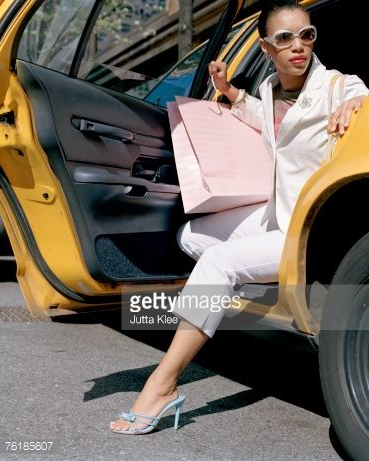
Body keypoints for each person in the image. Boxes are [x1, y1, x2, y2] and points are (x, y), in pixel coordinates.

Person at [110, 0, 368, 434]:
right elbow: (263, 119)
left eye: (307, 35)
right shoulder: (268, 88)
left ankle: (163, 384)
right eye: (284, 38)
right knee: (192, 235)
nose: (298, 46)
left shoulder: (340, 87)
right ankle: (246, 287)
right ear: (266, 47)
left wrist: (357, 105)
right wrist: (230, 93)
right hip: (276, 213)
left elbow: (362, 96)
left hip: (308, 231)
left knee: (217, 263)